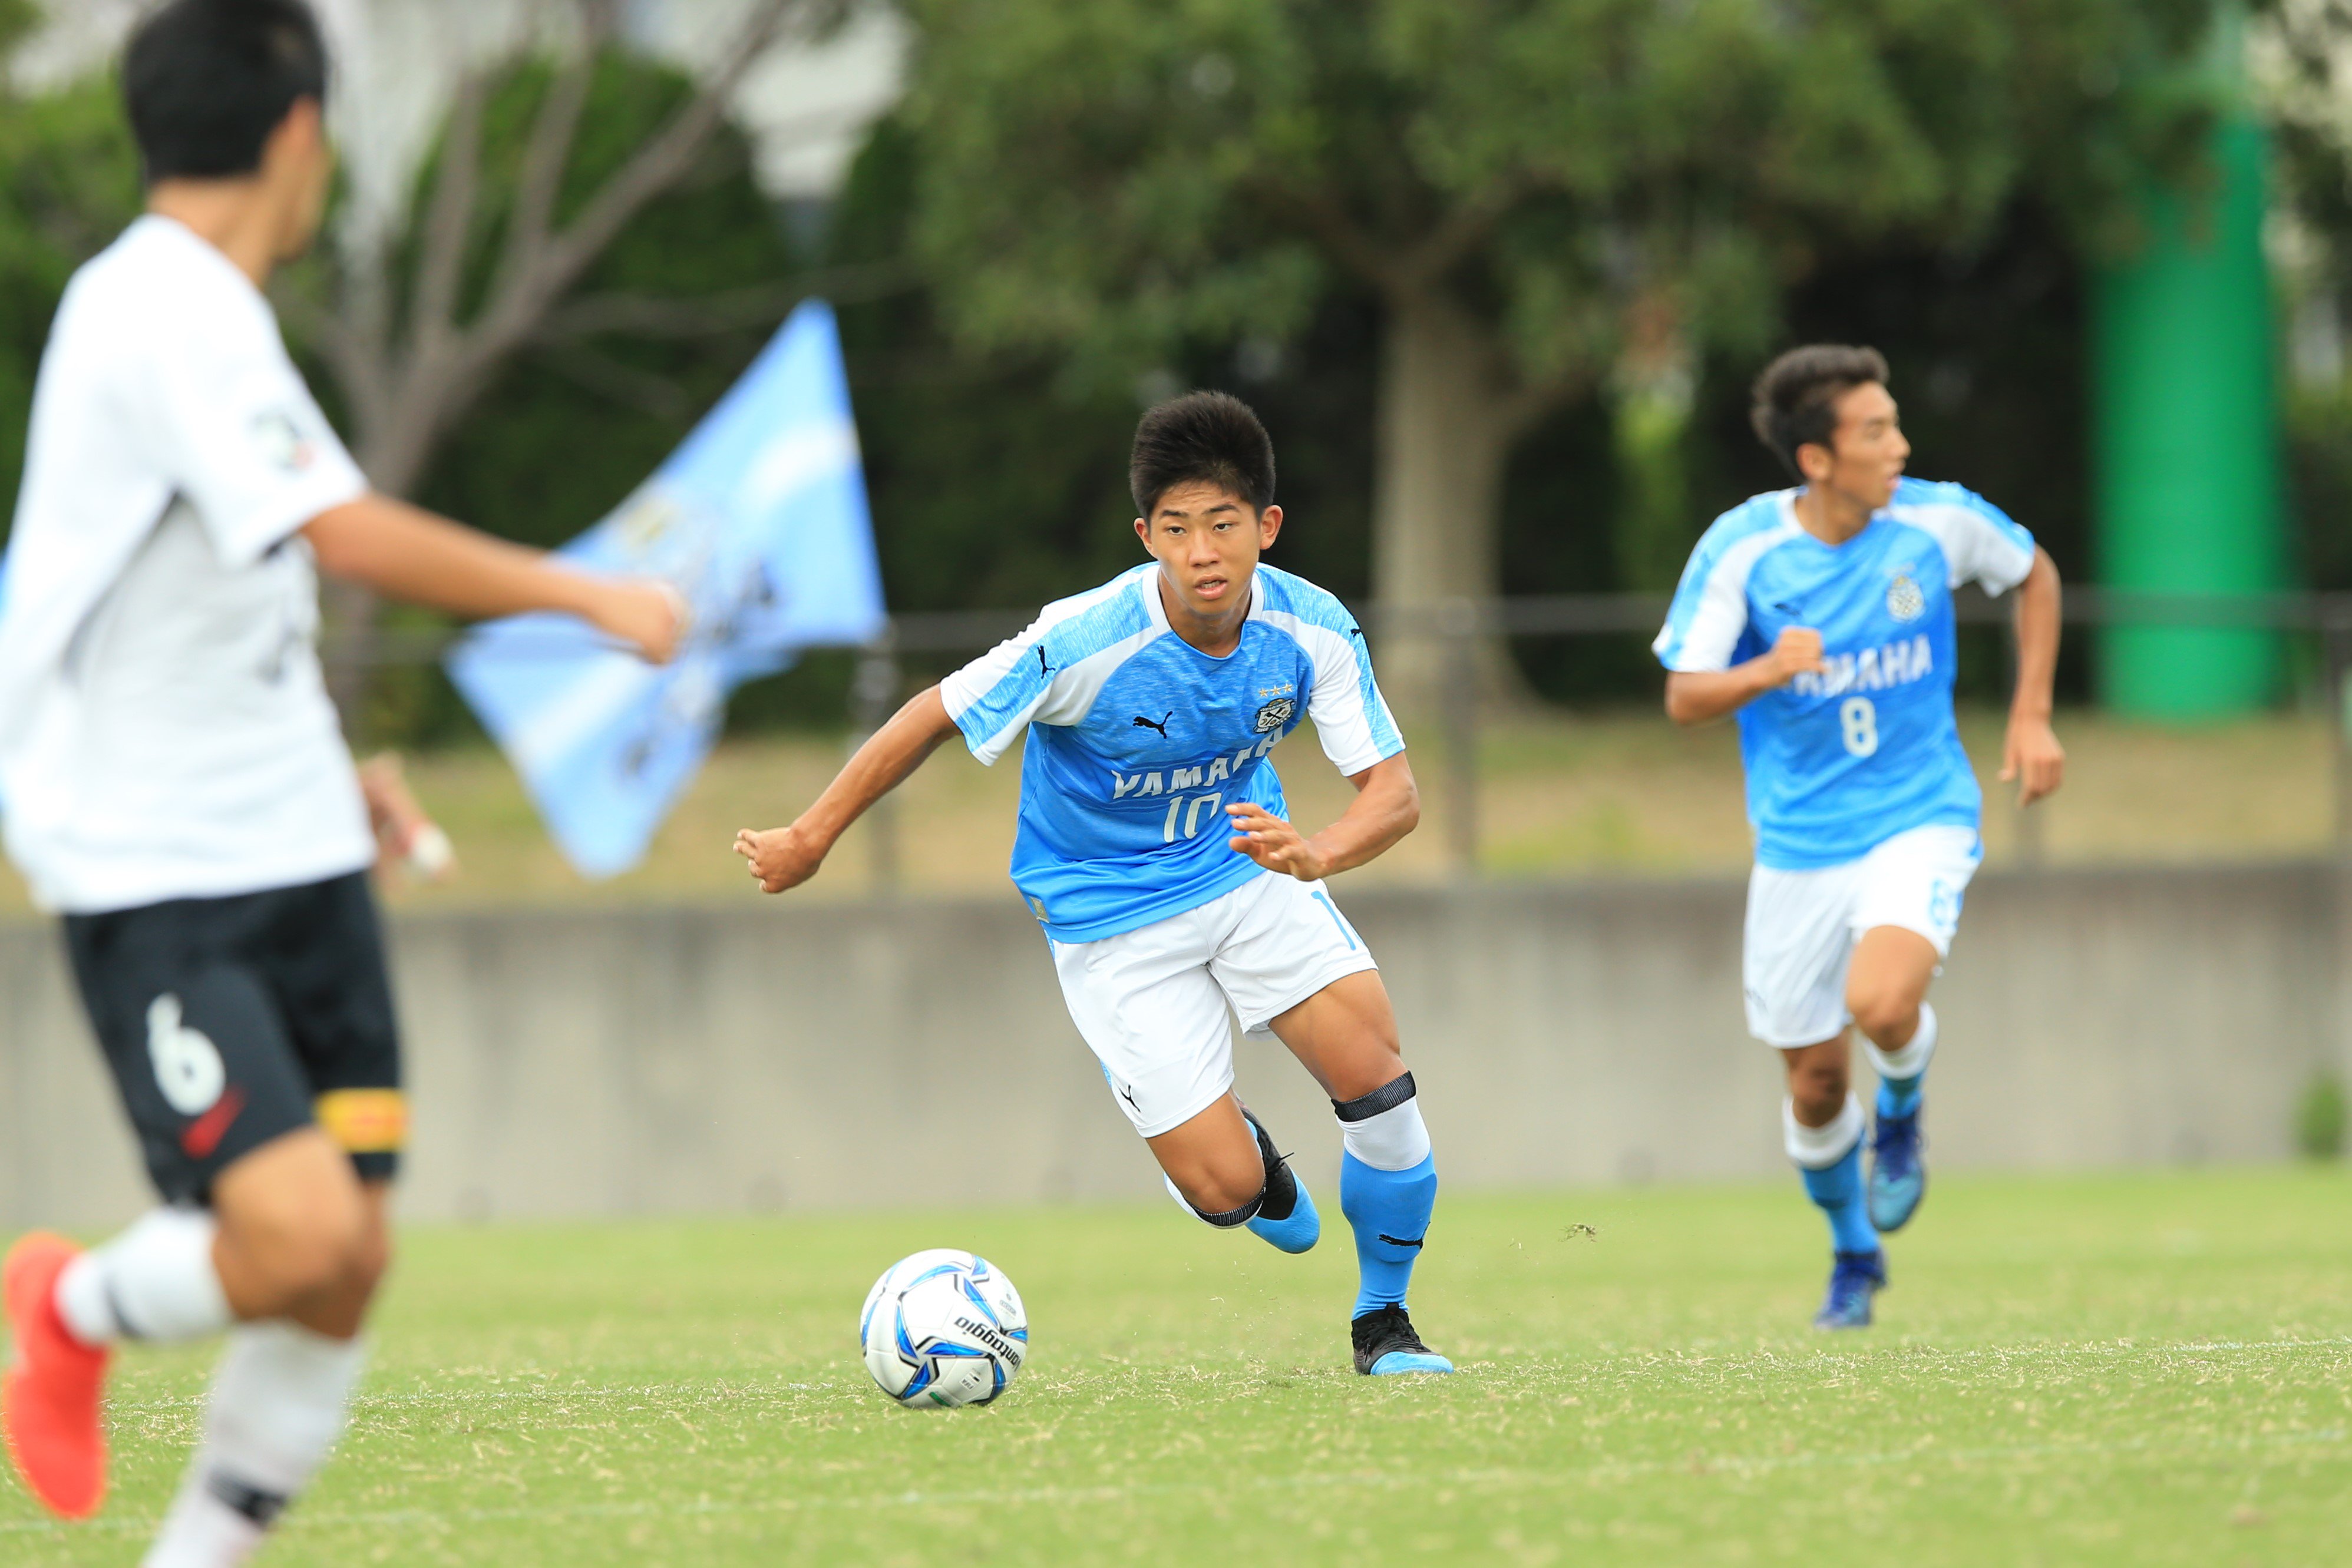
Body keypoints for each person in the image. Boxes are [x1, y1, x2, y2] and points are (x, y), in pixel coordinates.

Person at [0, 2, 679, 1559]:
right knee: (294, 1228)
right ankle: (71, 1301)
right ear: (298, 127)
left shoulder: (217, 318)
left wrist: (330, 763)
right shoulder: (155, 306)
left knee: (348, 1254)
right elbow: (348, 531)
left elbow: (232, 596)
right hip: (157, 871)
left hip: (291, 843)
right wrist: (586, 592)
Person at [735, 391, 1452, 1376]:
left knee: (1379, 1075)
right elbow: (932, 713)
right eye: (1177, 529)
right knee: (1225, 1191)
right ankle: (1247, 1174)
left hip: (1247, 867)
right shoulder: (1083, 639)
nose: (1202, 551)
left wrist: (1318, 853)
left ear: (1266, 528)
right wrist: (811, 836)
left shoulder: (1312, 627)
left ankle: (1386, 1324)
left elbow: (1396, 792)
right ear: (1146, 535)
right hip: (1108, 918)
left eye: (1224, 525)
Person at [1653, 345, 2064, 1329]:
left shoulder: (1937, 519)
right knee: (1814, 1080)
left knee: (1881, 1002)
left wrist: (2032, 713)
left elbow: (2035, 573)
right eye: (1875, 431)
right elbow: (1683, 695)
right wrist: (1765, 670)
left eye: (1894, 424)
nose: (1900, 445)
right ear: (1817, 459)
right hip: (1798, 846)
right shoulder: (1741, 550)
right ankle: (1853, 1253)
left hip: (1919, 813)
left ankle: (1907, 1111)